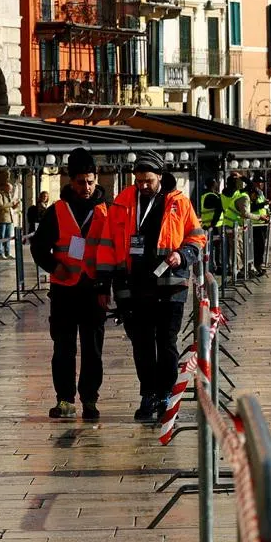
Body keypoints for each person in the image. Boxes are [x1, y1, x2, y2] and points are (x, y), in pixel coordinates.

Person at [98, 150, 205, 424]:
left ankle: (166, 393)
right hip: (134, 285)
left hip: (171, 285)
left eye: (149, 180)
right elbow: (108, 244)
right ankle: (148, 394)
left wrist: (182, 255)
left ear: (160, 176)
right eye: (140, 181)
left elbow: (197, 236)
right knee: (142, 344)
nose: (144, 185)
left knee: (167, 341)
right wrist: (104, 284)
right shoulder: (122, 203)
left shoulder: (178, 203)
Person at [30, 150, 110, 421]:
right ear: (70, 182)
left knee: (92, 349)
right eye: (80, 182)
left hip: (94, 289)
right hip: (64, 289)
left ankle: (89, 399)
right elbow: (39, 248)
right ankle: (65, 399)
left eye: (89, 182)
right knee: (63, 347)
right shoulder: (57, 211)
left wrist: (106, 287)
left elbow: (113, 252)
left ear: (96, 179)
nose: (85, 188)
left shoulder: (107, 212)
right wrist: (55, 266)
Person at [217, 173, 249, 275]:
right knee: (236, 248)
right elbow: (251, 185)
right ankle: (236, 269)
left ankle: (228, 267)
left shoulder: (222, 195)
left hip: (224, 223)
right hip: (235, 223)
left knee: (226, 248)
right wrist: (241, 176)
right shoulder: (238, 193)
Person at [198, 177, 223, 267]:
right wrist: (213, 224)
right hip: (214, 227)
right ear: (213, 184)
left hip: (207, 225)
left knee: (210, 248)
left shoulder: (205, 195)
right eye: (216, 182)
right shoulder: (212, 196)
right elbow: (219, 210)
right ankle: (216, 265)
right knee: (216, 248)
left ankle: (211, 265)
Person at [248, 177, 271, 273]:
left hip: (262, 223)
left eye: (262, 182)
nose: (261, 184)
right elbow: (251, 208)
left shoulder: (260, 193)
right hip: (256, 225)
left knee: (261, 246)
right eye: (260, 182)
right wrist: (263, 204)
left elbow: (264, 207)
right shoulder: (254, 193)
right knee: (257, 247)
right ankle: (257, 266)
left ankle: (259, 265)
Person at [0, 173, 18, 258]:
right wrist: (11, 203)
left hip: (10, 219)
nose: (10, 190)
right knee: (1, 236)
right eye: (9, 188)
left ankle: (7, 252)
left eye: (11, 189)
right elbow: (1, 205)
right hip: (2, 219)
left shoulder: (9, 195)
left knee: (8, 237)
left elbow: (11, 207)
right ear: (5, 187)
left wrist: (15, 205)